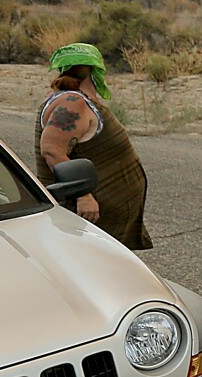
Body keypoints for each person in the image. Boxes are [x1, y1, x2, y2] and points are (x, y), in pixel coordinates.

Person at [34, 43, 153, 250]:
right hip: (86, 218)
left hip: (103, 220)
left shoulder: (78, 101)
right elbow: (51, 149)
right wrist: (83, 195)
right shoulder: (72, 103)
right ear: (94, 69)